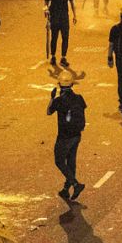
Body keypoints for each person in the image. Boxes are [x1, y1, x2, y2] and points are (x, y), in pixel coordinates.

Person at [47, 73, 86, 202]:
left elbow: (48, 112)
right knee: (71, 162)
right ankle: (65, 189)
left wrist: (52, 98)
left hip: (64, 136)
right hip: (76, 135)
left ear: (59, 85)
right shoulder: (79, 98)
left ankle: (75, 184)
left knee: (59, 161)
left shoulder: (59, 101)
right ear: (72, 84)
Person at [45, 0, 75, 67]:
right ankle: (53, 57)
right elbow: (46, 2)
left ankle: (63, 58)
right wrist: (46, 10)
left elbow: (72, 3)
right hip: (54, 19)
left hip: (64, 19)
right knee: (54, 38)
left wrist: (75, 15)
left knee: (65, 38)